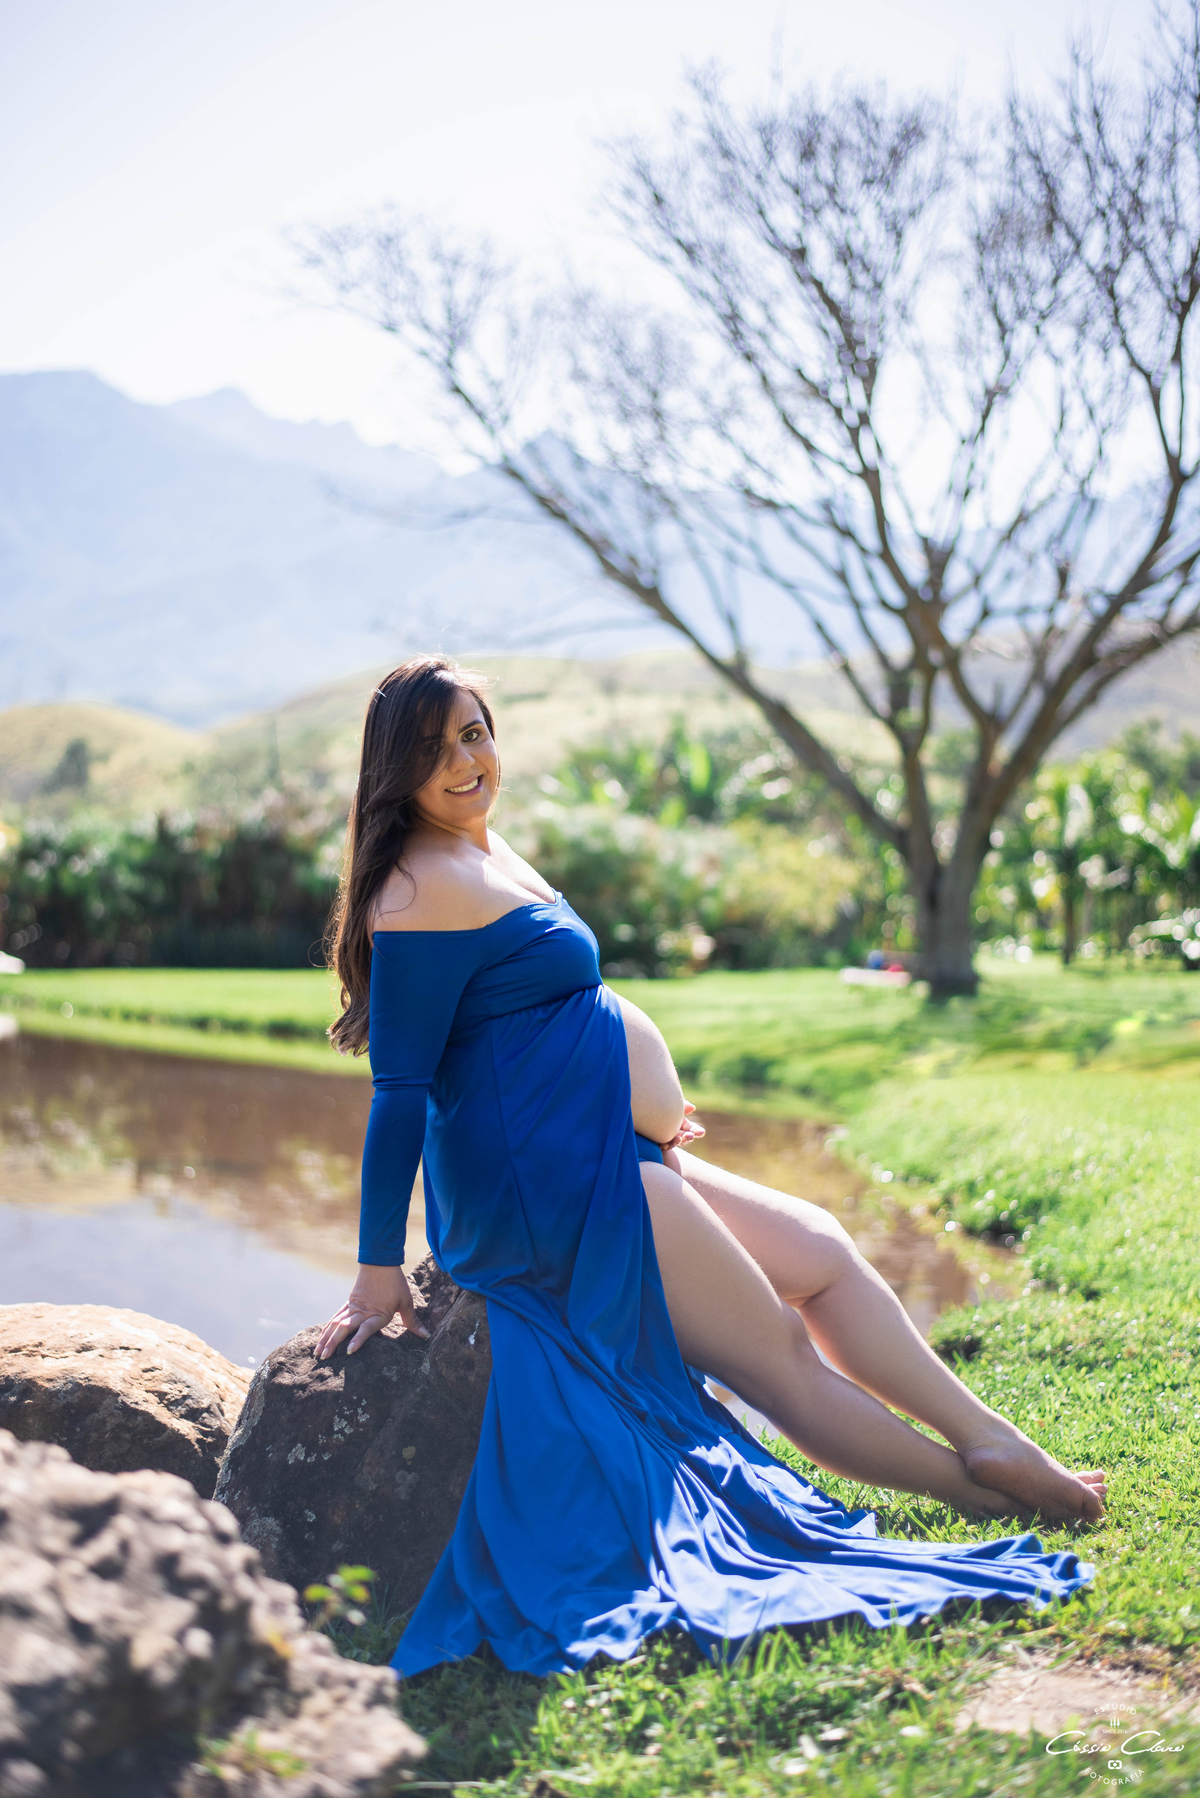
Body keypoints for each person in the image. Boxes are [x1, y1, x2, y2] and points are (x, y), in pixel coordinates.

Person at [316, 656, 1098, 1679]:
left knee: (820, 1249)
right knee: (777, 1353)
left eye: (474, 733)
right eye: (434, 748)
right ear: (395, 771)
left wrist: (622, 1091)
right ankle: (977, 1491)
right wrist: (377, 1266)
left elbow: (526, 1022)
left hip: (595, 1144)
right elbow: (402, 1091)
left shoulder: (479, 845)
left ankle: (990, 1438)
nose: (465, 761)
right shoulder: (417, 889)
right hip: (551, 1191)